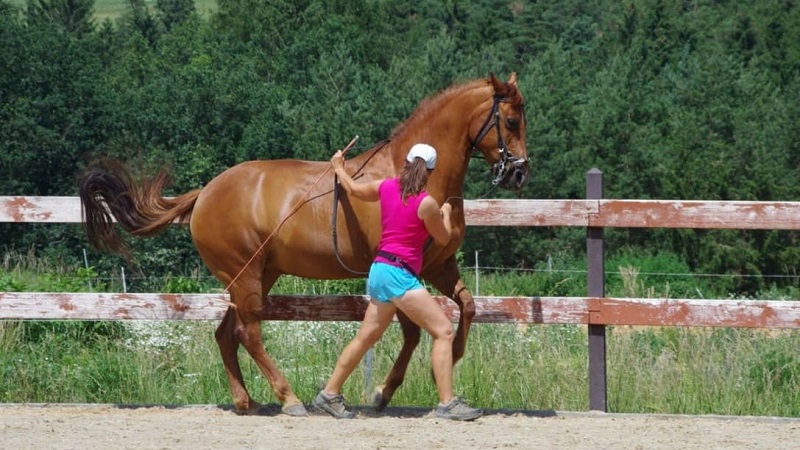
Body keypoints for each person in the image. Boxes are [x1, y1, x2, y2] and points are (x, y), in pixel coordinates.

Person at [313, 143, 483, 421]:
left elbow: (353, 190)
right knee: (443, 331)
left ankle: (329, 394)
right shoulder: (426, 203)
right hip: (400, 274)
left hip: (379, 270)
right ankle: (447, 403)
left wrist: (338, 168)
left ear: (406, 163)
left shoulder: (385, 187)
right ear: (429, 170)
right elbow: (443, 239)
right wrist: (448, 216)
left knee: (365, 337)